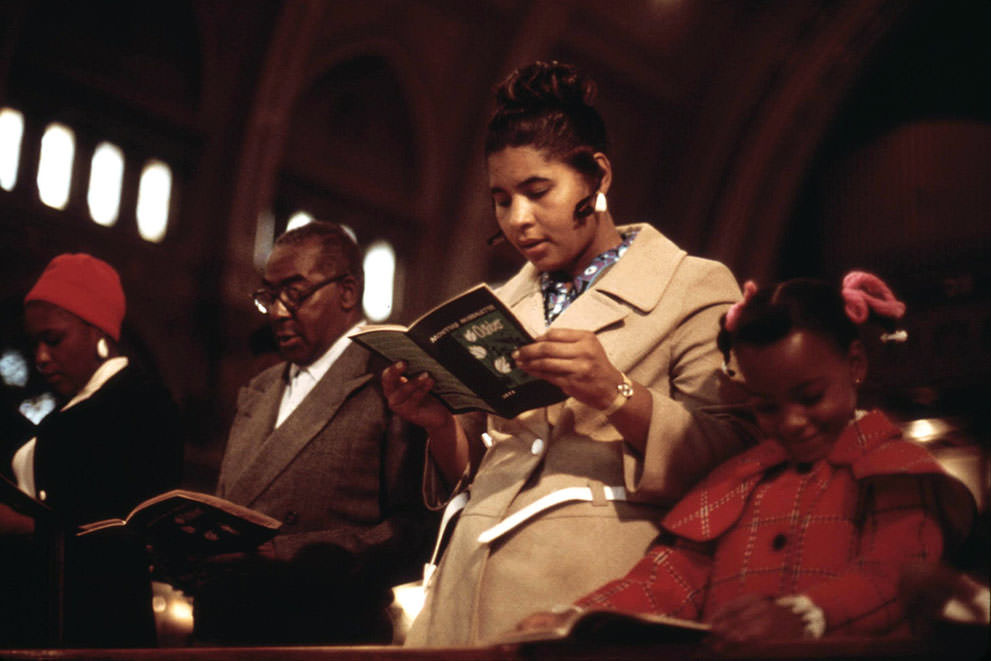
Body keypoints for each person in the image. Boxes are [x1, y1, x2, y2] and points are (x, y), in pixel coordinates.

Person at [382, 60, 751, 646]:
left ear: (597, 177)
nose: (518, 220)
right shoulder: (498, 306)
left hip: (589, 592)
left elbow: (735, 460)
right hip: (463, 590)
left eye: (537, 191)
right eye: (501, 200)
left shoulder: (692, 286)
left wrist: (616, 394)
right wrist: (438, 427)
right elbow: (482, 471)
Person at [517, 272, 976, 644]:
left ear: (855, 364)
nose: (792, 423)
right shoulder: (741, 477)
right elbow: (672, 578)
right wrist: (579, 620)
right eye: (767, 406)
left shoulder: (895, 468)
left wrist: (810, 615)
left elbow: (895, 574)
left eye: (810, 397)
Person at [192, 220, 432, 645]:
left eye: (295, 293)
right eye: (269, 295)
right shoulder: (259, 389)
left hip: (322, 634)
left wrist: (284, 554)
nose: (279, 312)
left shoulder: (391, 383)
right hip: (224, 630)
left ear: (347, 292)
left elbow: (414, 535)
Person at [0, 253, 184, 647]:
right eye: (35, 343)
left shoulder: (141, 404)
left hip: (96, 629)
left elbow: (128, 529)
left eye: (54, 339)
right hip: (45, 618)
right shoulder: (82, 407)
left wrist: (24, 525)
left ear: (98, 331)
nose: (41, 358)